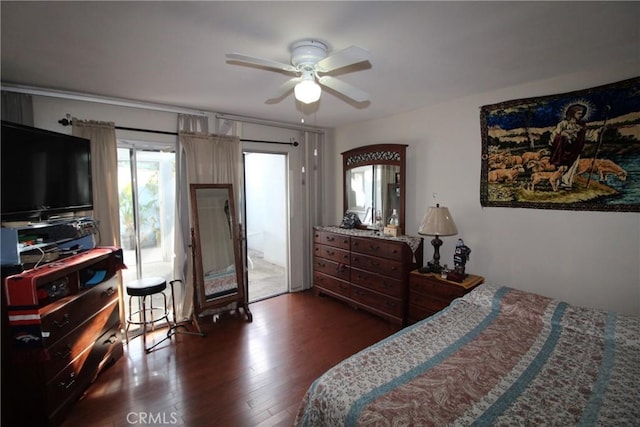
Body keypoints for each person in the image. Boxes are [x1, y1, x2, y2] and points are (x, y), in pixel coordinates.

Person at [549, 103, 600, 189]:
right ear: (572, 113)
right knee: (562, 167)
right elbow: (554, 135)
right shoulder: (563, 123)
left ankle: (567, 183)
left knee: (572, 167)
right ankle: (557, 182)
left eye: (581, 113)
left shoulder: (581, 125)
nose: (580, 115)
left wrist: (596, 133)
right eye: (578, 113)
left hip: (575, 149)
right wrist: (563, 135)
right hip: (563, 149)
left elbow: (586, 136)